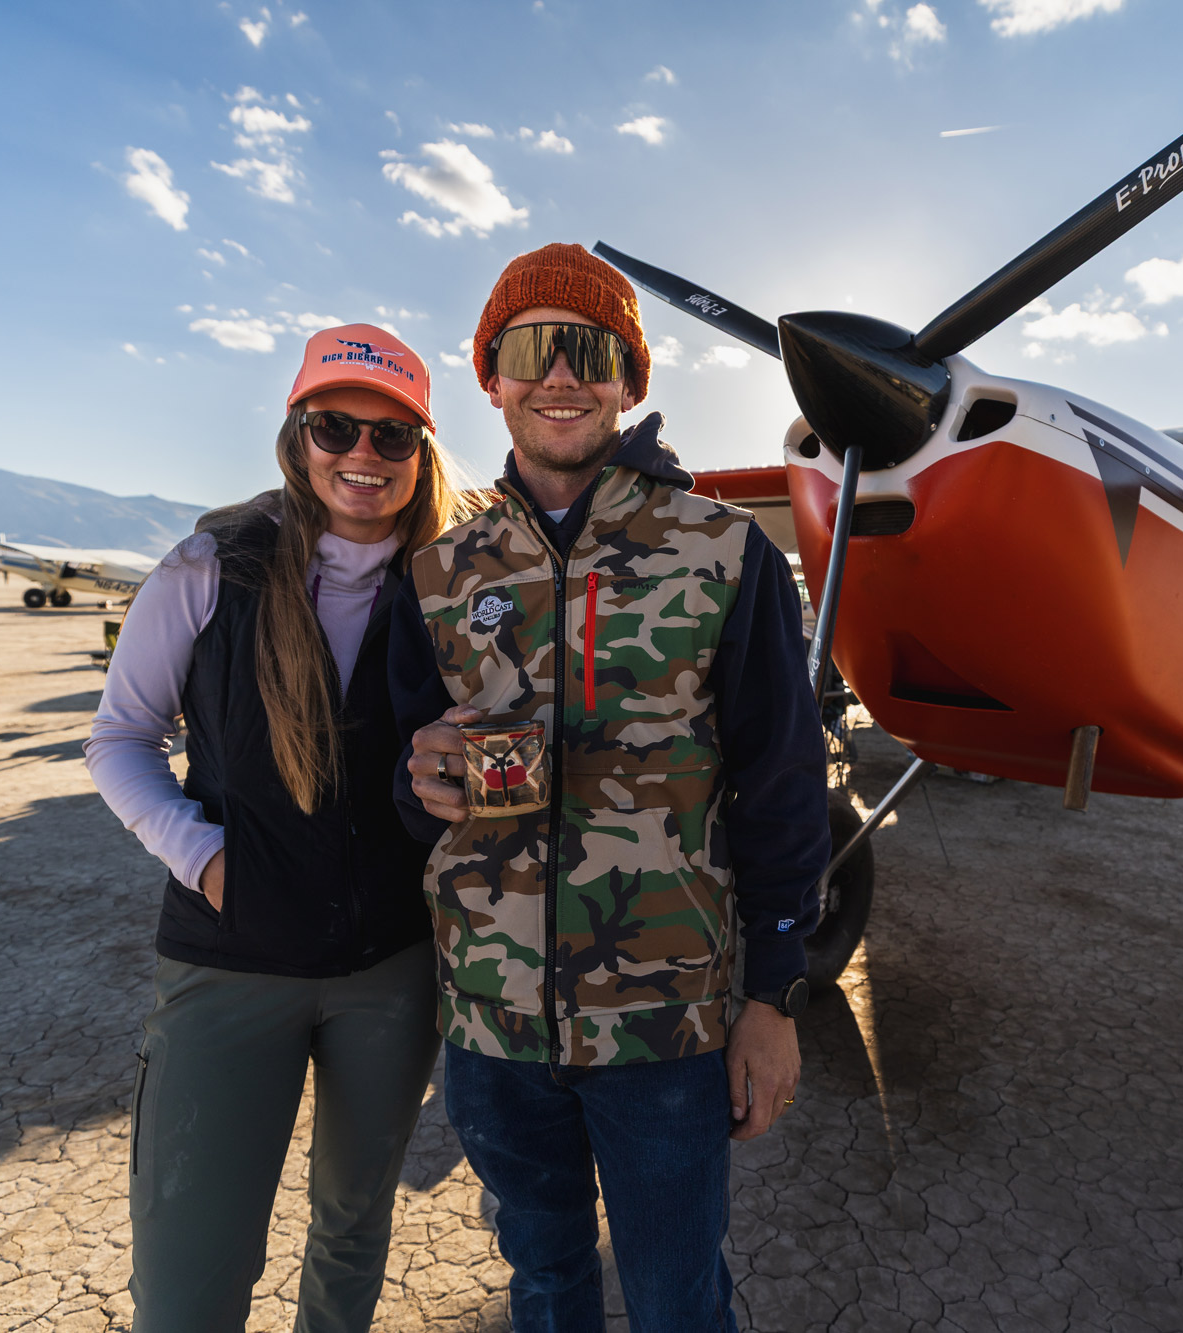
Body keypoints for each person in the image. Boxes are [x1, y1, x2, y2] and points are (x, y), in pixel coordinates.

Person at [390, 244, 831, 1331]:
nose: (560, 375)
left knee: (679, 1301)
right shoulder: (442, 573)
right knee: (544, 1287)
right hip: (490, 1032)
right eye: (530, 349)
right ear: (490, 376)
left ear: (629, 378)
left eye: (591, 351)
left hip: (664, 1031)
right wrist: (418, 781)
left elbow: (783, 786)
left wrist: (772, 998)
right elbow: (400, 784)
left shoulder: (722, 553)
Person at [86, 324, 467, 1332]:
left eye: (392, 438)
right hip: (229, 965)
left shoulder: (453, 590)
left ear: (420, 453)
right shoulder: (209, 567)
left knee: (351, 1228)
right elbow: (119, 739)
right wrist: (203, 857)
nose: (361, 455)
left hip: (390, 968)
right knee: (191, 1265)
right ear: (297, 436)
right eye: (334, 426)